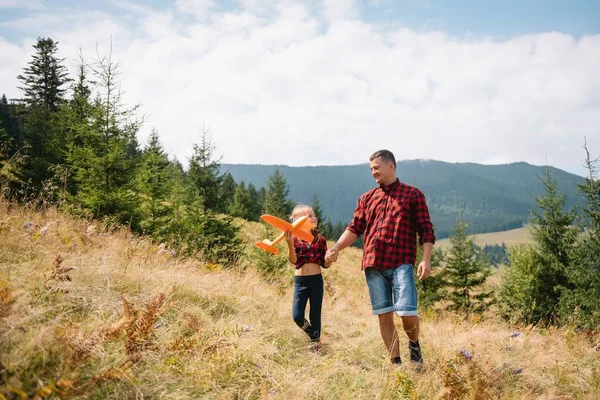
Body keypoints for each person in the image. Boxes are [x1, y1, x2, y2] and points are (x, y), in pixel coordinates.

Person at [325, 149, 435, 367]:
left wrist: (425, 259)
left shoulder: (413, 195)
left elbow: (426, 230)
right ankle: (396, 364)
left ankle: (414, 345)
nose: (373, 173)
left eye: (376, 168)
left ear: (391, 166)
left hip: (401, 263)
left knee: (406, 312)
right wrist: (337, 247)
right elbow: (355, 228)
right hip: (373, 265)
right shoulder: (366, 198)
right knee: (384, 316)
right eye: (371, 169)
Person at [284, 204, 332, 351]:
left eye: (313, 214)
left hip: (316, 281)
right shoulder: (295, 239)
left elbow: (324, 263)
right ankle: (313, 336)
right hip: (301, 282)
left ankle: (315, 346)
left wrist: (328, 260)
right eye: (309, 216)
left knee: (315, 315)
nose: (314, 217)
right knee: (297, 316)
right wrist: (290, 245)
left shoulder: (321, 240)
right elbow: (293, 261)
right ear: (298, 221)